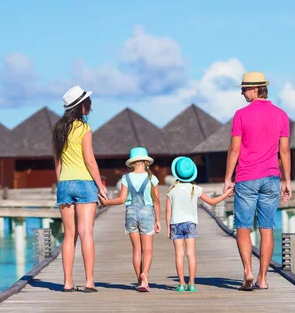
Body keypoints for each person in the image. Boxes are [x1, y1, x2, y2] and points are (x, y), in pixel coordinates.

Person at [223, 71, 292, 291]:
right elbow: (285, 151)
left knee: (243, 227)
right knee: (266, 228)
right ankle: (263, 278)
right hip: (271, 178)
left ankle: (248, 272)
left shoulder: (241, 115)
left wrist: (227, 178)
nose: (242, 92)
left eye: (244, 89)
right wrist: (287, 180)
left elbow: (234, 149)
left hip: (246, 178)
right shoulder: (281, 115)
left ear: (255, 89)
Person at [52, 85, 108, 293]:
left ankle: (67, 282)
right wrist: (100, 186)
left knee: (69, 235)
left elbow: (57, 162)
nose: (90, 107)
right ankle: (89, 281)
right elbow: (90, 160)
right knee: (86, 233)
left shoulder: (58, 129)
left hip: (64, 183)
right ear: (80, 106)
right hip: (84, 182)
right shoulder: (84, 129)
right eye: (88, 103)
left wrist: (61, 184)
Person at [166, 156, 234, 292]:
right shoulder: (196, 189)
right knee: (191, 254)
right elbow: (212, 202)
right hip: (190, 224)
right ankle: (191, 283)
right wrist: (226, 194)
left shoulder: (171, 190)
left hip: (175, 224)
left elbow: (168, 211)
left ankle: (181, 284)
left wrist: (168, 227)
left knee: (179, 255)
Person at [100, 147, 161, 292]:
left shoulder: (126, 178)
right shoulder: (152, 178)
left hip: (130, 213)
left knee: (136, 250)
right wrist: (158, 220)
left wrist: (107, 202)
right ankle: (145, 274)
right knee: (148, 249)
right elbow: (156, 201)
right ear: (146, 162)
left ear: (131, 163)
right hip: (147, 213)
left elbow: (121, 199)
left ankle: (140, 281)